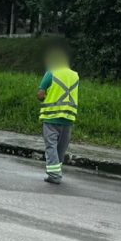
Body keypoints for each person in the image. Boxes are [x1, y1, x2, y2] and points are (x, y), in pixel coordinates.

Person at [38, 49, 79, 185]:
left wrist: (44, 97)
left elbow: (41, 94)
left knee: (51, 146)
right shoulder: (75, 75)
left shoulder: (51, 72)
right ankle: (57, 171)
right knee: (61, 147)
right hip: (68, 118)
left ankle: (54, 175)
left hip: (51, 117)